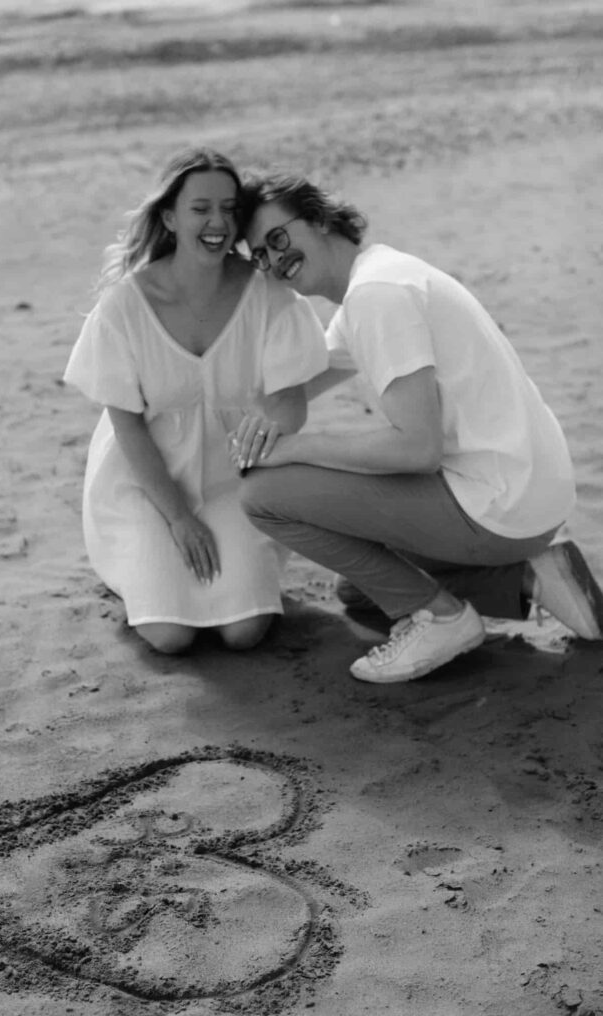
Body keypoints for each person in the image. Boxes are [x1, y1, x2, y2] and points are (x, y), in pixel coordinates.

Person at [238, 172, 603, 684]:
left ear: (319, 219)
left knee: (264, 495)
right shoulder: (375, 282)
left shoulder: (377, 296)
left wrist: (298, 449)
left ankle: (443, 619)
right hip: (530, 494)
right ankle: (531, 577)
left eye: (278, 239)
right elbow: (286, 395)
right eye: (259, 256)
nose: (275, 261)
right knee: (359, 591)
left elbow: (417, 450)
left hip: (497, 502)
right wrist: (260, 305)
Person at [62, 149, 330, 654]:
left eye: (230, 209)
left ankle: (210, 571)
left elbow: (290, 404)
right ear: (169, 216)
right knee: (170, 636)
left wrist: (269, 433)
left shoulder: (268, 296)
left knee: (244, 631)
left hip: (234, 482)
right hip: (148, 485)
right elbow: (128, 428)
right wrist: (180, 518)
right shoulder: (124, 305)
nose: (218, 223)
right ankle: (139, 568)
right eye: (201, 208)